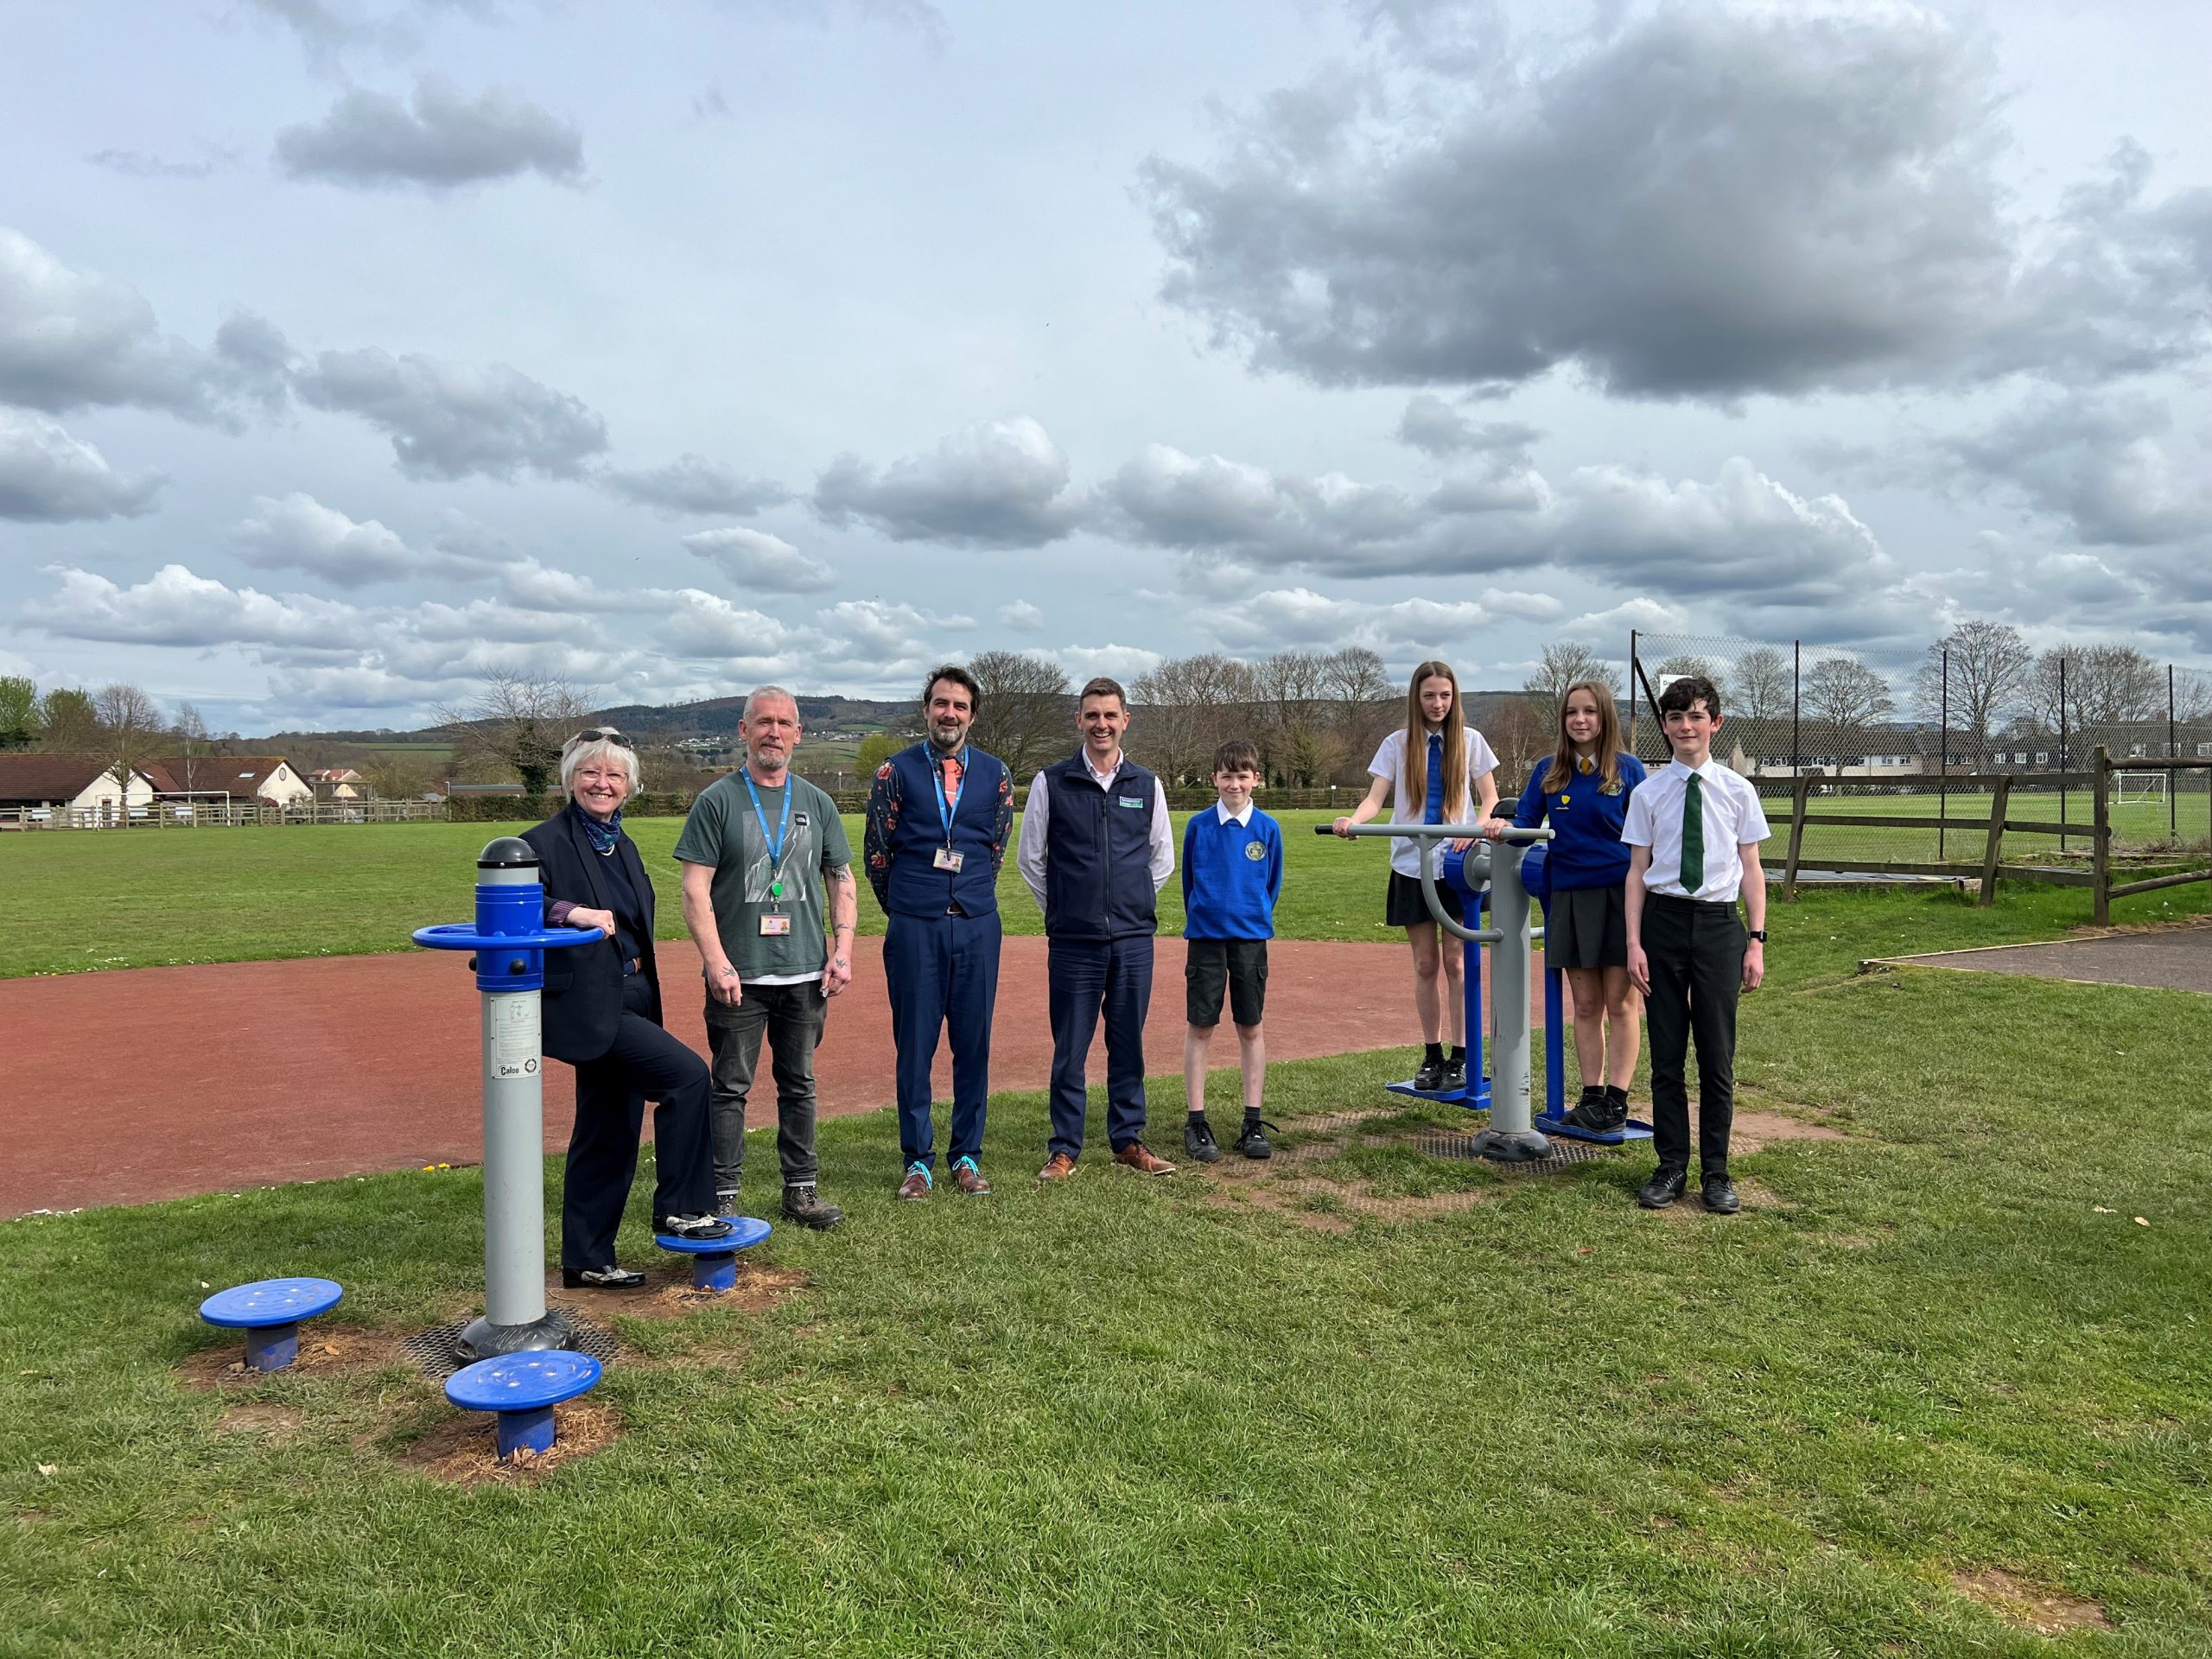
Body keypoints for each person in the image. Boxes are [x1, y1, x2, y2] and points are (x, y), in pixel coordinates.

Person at [524, 728, 728, 1289]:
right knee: (688, 1078)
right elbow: (511, 900)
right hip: (590, 1004)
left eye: (615, 775)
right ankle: (682, 1210)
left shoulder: (625, 845)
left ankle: (587, 1259)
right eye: (591, 772)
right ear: (570, 779)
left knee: (608, 1128)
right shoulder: (540, 842)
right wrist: (572, 912)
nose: (602, 783)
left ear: (630, 787)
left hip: (634, 994)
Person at [674, 687, 854, 1230]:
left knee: (799, 1082)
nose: (773, 732)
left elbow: (841, 879)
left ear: (799, 733)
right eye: (763, 722)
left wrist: (842, 951)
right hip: (740, 974)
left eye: (784, 723)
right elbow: (694, 889)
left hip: (804, 970)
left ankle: (800, 1190)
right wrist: (715, 960)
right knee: (730, 1085)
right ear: (743, 730)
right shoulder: (717, 800)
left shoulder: (817, 802)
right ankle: (723, 1193)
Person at [863, 664, 1015, 1201]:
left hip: (976, 924)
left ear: (972, 716)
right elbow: (878, 855)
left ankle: (967, 1154)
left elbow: (995, 848)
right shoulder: (894, 772)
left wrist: (963, 896)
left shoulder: (995, 772)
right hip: (915, 927)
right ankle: (918, 1161)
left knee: (973, 1045)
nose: (949, 714)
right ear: (926, 708)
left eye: (960, 706)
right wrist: (909, 906)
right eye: (940, 703)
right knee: (915, 1046)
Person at [1017, 676, 1177, 1180]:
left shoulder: (1147, 785)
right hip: (1073, 943)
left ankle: (1128, 1140)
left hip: (1132, 940)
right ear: (1079, 721)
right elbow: (1031, 860)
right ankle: (1064, 1148)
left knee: (1127, 1041)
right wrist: (1067, 907)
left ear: (1125, 720)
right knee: (1071, 1047)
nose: (1101, 724)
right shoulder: (1052, 782)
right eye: (1092, 715)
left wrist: (1130, 905)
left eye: (1110, 715)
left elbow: (1161, 860)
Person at [1621, 674, 1770, 1215]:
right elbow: (1637, 872)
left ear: (1715, 724)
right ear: (1665, 726)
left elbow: (1752, 869)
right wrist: (1634, 943)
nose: (1687, 727)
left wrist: (1754, 941)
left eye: (1697, 717)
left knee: (1716, 1057)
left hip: (1716, 927)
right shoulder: (1648, 792)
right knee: (1666, 1055)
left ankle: (1717, 1172)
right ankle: (1670, 1167)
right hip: (1661, 926)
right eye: (1676, 718)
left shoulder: (1738, 790)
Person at [1486, 681, 1648, 1133]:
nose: (1580, 720)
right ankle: (1591, 1095)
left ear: (1605, 718)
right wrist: (1497, 826)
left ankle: (1616, 1100)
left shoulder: (1629, 772)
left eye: (1590, 712)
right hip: (1570, 897)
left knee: (1621, 1003)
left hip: (1620, 897)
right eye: (1572, 712)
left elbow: (1650, 839)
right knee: (1586, 1004)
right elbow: (1523, 822)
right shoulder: (1549, 771)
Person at [1332, 659, 1499, 1092]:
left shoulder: (1471, 740)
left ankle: (1463, 1056)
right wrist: (1352, 820)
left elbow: (1490, 799)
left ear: (1454, 696)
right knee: (1426, 964)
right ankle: (1432, 1054)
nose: (1438, 703)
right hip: (1411, 863)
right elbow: (1376, 798)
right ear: (1416, 698)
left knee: (1456, 962)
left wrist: (1477, 830)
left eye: (1445, 695)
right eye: (1429, 695)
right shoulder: (1397, 743)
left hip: (1457, 864)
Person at [1179, 738, 1283, 1163]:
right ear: (1214, 779)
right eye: (1227, 776)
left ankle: (1252, 1120)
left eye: (1243, 776)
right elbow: (1189, 883)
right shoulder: (1199, 826)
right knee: (1201, 1028)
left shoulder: (1268, 829)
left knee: (1251, 1027)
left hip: (1250, 940)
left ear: (1256, 779)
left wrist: (1250, 917)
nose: (1235, 784)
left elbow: (1271, 885)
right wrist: (1208, 915)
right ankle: (1197, 1121)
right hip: (1205, 939)